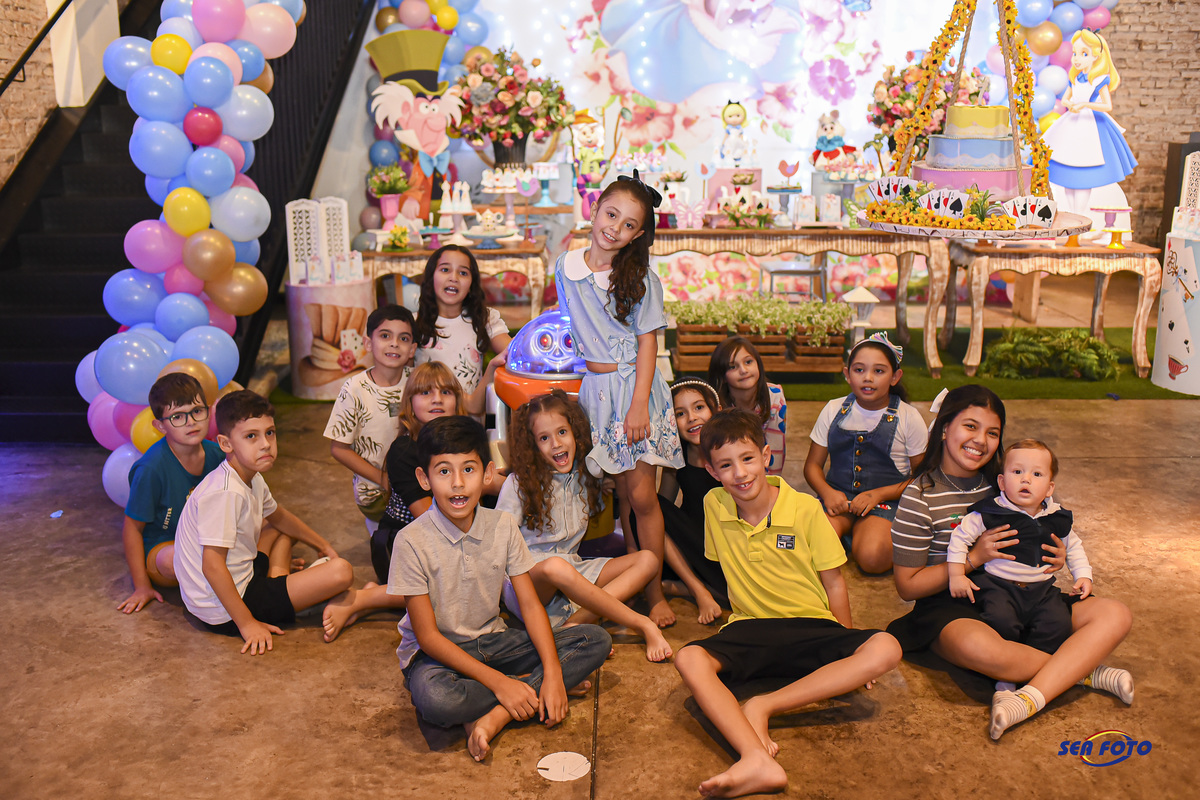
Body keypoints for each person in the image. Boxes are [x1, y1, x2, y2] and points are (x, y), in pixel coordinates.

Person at [674, 410, 900, 798]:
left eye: (747, 459)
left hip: (810, 625)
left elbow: (835, 583)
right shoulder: (714, 504)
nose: (740, 473)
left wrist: (847, 651)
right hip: (750, 627)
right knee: (689, 658)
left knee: (887, 646)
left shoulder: (806, 509)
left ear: (766, 456)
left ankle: (763, 706)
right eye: (725, 465)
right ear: (711, 471)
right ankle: (755, 760)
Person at [888, 385, 1133, 740]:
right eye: (970, 426)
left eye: (992, 432)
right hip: (952, 604)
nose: (980, 440)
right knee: (983, 648)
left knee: (1115, 614)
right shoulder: (920, 495)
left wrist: (1058, 554)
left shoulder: (1008, 481)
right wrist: (974, 558)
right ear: (943, 428)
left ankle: (1031, 692)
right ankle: (1085, 673)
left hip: (1025, 594)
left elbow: (1049, 524)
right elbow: (907, 587)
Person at [388, 416, 611, 761]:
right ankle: (525, 685)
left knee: (595, 640)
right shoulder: (411, 541)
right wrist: (500, 682)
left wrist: (553, 672)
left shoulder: (503, 525)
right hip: (435, 657)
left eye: (469, 469)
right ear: (424, 478)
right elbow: (428, 637)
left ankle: (502, 710)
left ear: (488, 473)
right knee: (439, 700)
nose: (458, 484)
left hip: (493, 641)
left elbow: (531, 606)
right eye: (444, 471)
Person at [554, 171, 684, 628]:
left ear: (638, 234)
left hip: (635, 392)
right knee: (623, 493)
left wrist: (638, 406)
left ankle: (654, 592)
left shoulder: (641, 278)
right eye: (611, 215)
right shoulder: (565, 267)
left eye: (629, 224)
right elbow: (575, 326)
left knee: (643, 495)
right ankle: (634, 576)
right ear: (594, 210)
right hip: (596, 392)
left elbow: (648, 343)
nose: (616, 228)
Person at [173, 391, 355, 655]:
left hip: (240, 575)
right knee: (341, 572)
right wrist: (247, 624)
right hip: (224, 608)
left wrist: (322, 545)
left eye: (270, 433)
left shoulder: (250, 475)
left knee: (279, 529)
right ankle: (294, 590)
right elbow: (211, 566)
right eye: (251, 436)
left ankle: (280, 580)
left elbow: (279, 516)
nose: (266, 444)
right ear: (225, 444)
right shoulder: (225, 493)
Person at [496, 390, 672, 662]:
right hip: (527, 581)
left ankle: (574, 625)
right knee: (556, 567)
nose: (556, 444)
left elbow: (613, 484)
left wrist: (608, 483)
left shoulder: (586, 476)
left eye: (562, 432)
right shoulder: (518, 483)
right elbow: (498, 545)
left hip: (571, 571)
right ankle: (641, 623)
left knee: (648, 560)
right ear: (532, 445)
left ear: (575, 433)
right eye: (544, 438)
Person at [948, 440, 1092, 655]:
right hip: (998, 586)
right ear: (1002, 482)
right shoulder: (991, 513)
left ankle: (1039, 660)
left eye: (1037, 474)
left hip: (1041, 589)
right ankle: (1007, 665)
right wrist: (956, 575)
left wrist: (1083, 575)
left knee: (1057, 624)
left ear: (1049, 488)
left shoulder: (1055, 517)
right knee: (1000, 621)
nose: (1026, 479)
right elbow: (959, 538)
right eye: (1017, 472)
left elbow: (1073, 546)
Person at [803, 332, 926, 574]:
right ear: (847, 374)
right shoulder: (833, 409)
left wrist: (878, 495)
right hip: (838, 500)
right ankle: (851, 532)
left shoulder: (909, 418)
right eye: (859, 370)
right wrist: (827, 493)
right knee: (809, 547)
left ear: (895, 377)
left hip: (885, 502)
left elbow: (921, 478)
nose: (868, 378)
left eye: (879, 371)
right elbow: (812, 466)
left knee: (872, 559)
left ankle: (861, 535)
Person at [118, 373, 225, 613]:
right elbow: (132, 529)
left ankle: (257, 569)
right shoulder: (151, 468)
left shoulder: (218, 454)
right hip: (166, 547)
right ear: (160, 426)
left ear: (209, 411)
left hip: (209, 539)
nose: (191, 422)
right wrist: (141, 586)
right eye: (177, 416)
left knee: (267, 525)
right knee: (176, 558)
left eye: (197, 411)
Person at [324, 304, 417, 541]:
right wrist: (383, 479)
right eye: (385, 336)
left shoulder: (417, 382)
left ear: (412, 349)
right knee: (395, 546)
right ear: (368, 343)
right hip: (376, 491)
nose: (394, 344)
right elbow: (339, 449)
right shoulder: (354, 389)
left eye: (403, 338)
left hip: (415, 482)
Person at [1042, 29, 1137, 219]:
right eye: (1075, 53)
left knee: (1085, 166)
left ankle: (1080, 215)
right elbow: (1066, 98)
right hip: (1072, 122)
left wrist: (1085, 104)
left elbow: (1107, 106)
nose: (1077, 58)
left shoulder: (1100, 80)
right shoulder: (1075, 78)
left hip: (1091, 126)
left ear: (1096, 55)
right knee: (1067, 169)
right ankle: (1071, 215)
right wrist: (1069, 104)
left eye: (1084, 54)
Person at [655, 378, 727, 623]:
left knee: (740, 591)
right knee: (646, 509)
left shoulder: (731, 451)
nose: (692, 418)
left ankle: (683, 588)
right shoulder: (678, 457)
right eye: (680, 413)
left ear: (715, 409)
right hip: (692, 546)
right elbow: (661, 507)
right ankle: (698, 589)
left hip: (726, 546)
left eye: (699, 407)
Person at [412, 245, 511, 415]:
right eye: (445, 270)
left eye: (463, 273)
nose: (454, 278)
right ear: (431, 277)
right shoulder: (413, 323)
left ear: (472, 284)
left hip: (469, 420)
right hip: (428, 421)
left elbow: (513, 352)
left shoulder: (484, 319)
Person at [708, 336, 787, 476]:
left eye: (748, 362)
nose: (743, 370)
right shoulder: (716, 405)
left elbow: (776, 451)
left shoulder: (775, 396)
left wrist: (771, 485)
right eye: (732, 367)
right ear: (722, 376)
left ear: (758, 364)